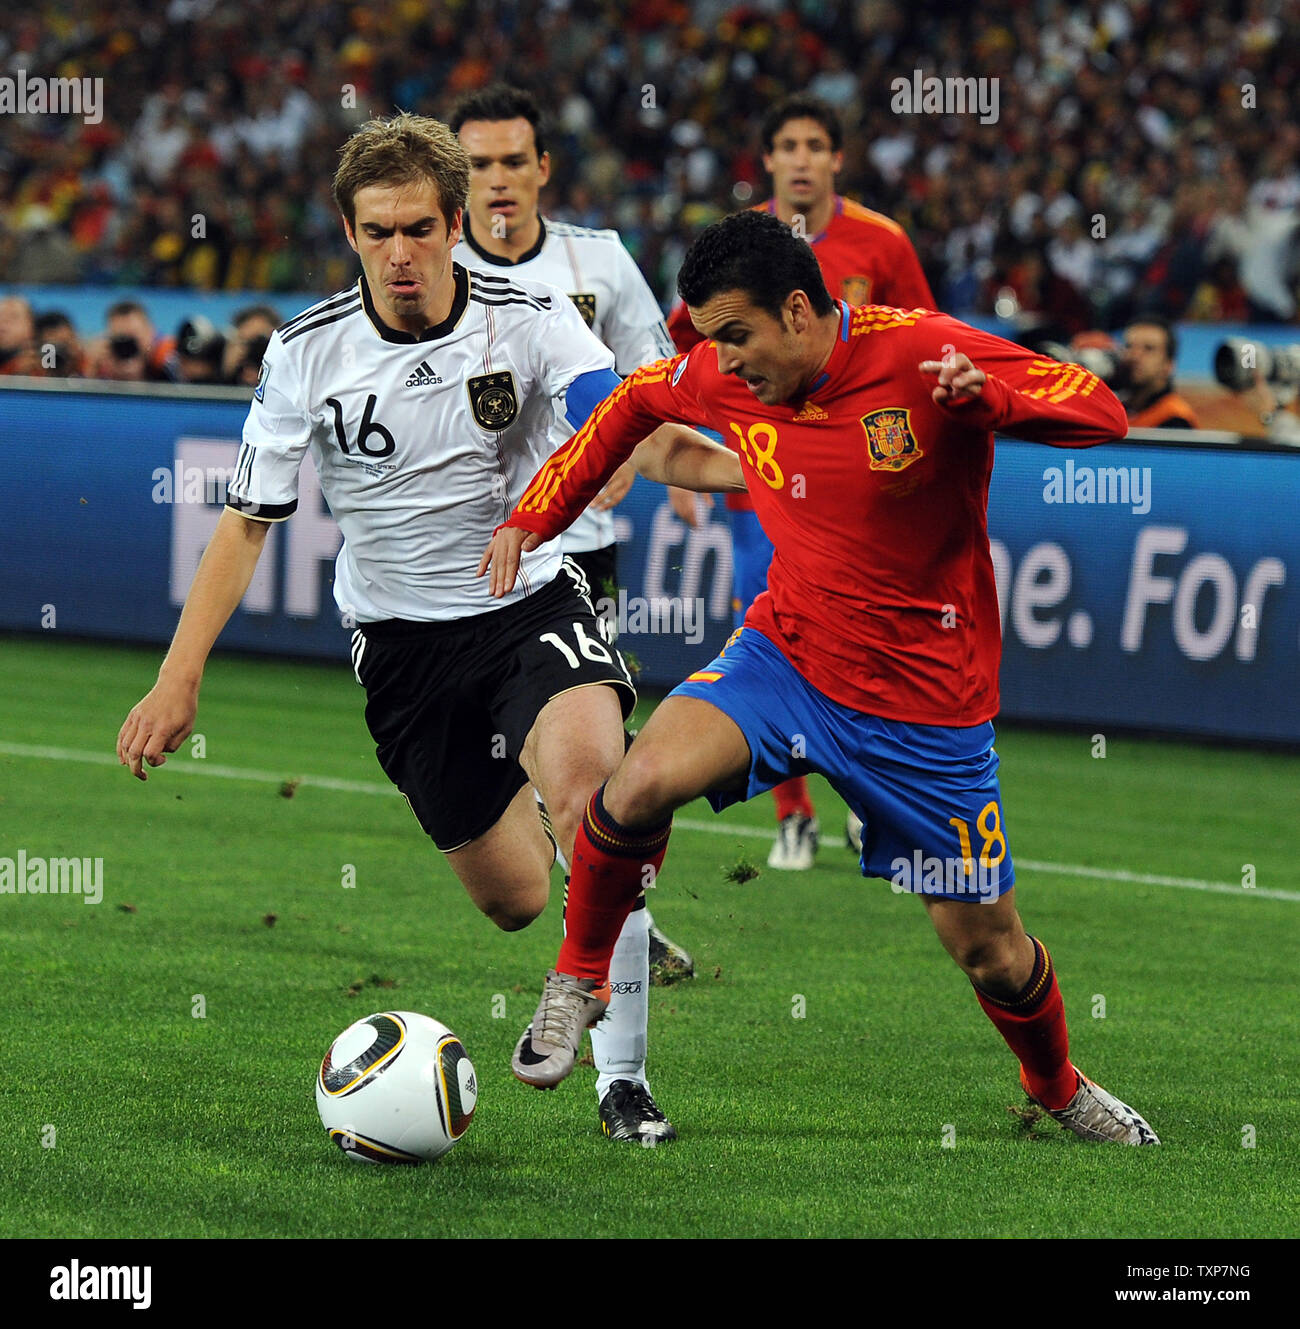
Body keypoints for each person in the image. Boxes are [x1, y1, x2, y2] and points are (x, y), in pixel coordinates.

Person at [115, 113, 741, 1146]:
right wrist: (178, 679)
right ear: (348, 232)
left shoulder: (531, 318)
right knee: (514, 900)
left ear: (454, 223)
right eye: (376, 232)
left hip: (529, 604)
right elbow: (245, 523)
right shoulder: (308, 353)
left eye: (417, 228)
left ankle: (619, 1082)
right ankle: (562, 849)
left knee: (603, 799)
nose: (398, 253)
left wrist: (767, 470)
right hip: (403, 649)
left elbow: (636, 426)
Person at [483, 210, 1159, 1146]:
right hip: (788, 657)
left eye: (737, 334)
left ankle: (1057, 1087)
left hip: (927, 710)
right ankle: (578, 979)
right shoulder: (722, 374)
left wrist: (994, 403)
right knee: (636, 782)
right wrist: (534, 514)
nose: (722, 360)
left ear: (800, 309)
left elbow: (1102, 409)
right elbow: (630, 408)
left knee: (990, 950)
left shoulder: (926, 352)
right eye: (710, 337)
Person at [449, 85, 697, 1010]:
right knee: (516, 760)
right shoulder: (432, 276)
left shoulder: (599, 261)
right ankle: (600, 896)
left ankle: (605, 915)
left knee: (595, 749)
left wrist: (646, 453)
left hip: (581, 548)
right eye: (477, 165)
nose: (498, 181)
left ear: (544, 168)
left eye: (514, 161)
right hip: (481, 563)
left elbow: (654, 371)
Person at [668, 95, 937, 872]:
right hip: (766, 478)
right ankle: (791, 817)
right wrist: (680, 454)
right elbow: (681, 343)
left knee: (861, 643)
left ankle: (867, 802)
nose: (801, 158)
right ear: (771, 160)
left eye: (815, 144)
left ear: (836, 160)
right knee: (774, 627)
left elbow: (922, 341)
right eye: (787, 144)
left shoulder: (881, 241)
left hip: (860, 485)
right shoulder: (737, 252)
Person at [1121, 317, 1199, 428]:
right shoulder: (1118, 407)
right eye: (1129, 346)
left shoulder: (1175, 419)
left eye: (1149, 349)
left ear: (1169, 364)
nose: (1134, 356)